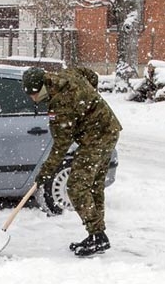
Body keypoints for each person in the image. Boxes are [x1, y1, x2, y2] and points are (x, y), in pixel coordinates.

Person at [23, 66, 121, 258]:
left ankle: (98, 235)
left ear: (42, 86)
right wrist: (91, 101)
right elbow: (90, 73)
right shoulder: (66, 74)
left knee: (76, 187)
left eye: (34, 94)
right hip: (108, 129)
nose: (32, 99)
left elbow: (61, 145)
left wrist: (45, 172)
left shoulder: (60, 106)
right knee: (93, 186)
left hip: (97, 138)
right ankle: (96, 235)